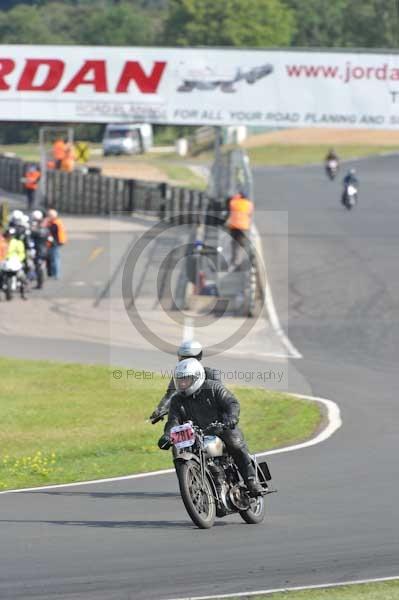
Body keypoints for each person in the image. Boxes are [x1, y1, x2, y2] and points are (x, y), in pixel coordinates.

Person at [159, 358, 265, 496]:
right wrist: (167, 435)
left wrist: (231, 418)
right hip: (197, 435)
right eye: (180, 380)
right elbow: (173, 421)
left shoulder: (213, 388)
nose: (182, 383)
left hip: (222, 428)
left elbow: (231, 403)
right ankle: (202, 485)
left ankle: (251, 480)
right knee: (187, 450)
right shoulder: (177, 400)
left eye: (186, 380)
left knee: (235, 444)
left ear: (197, 377)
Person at [149, 340, 220, 423]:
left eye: (188, 358)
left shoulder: (210, 374)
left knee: (232, 435)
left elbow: (221, 397)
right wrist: (159, 411)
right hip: (186, 417)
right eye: (184, 358)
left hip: (210, 418)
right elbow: (171, 395)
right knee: (169, 433)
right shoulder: (179, 375)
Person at [226, 190, 254, 267]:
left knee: (234, 243)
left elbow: (228, 202)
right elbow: (250, 214)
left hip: (233, 226)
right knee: (241, 244)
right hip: (244, 227)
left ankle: (234, 260)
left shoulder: (233, 202)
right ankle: (239, 261)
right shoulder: (249, 204)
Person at [46, 209, 67, 279]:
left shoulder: (54, 223)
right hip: (56, 242)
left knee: (55, 259)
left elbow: (49, 231)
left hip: (54, 243)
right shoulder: (56, 222)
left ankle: (56, 274)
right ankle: (53, 273)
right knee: (53, 258)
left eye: (49, 215)